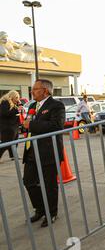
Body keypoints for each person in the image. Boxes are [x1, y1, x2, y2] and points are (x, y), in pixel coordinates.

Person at [22, 79, 65, 227]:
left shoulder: (57, 105)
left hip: (49, 151)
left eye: (35, 89)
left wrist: (31, 124)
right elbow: (29, 123)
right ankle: (40, 209)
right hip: (31, 151)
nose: (32, 91)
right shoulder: (33, 105)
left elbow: (56, 126)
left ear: (45, 91)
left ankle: (51, 213)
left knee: (49, 184)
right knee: (28, 181)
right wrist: (25, 126)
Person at [0, 90, 21, 161]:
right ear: (12, 96)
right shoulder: (5, 102)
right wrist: (17, 110)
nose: (17, 99)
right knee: (6, 143)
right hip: (7, 126)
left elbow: (15, 113)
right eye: (16, 97)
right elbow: (4, 113)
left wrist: (18, 107)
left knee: (15, 141)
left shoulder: (14, 103)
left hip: (14, 126)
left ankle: (13, 156)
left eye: (18, 97)